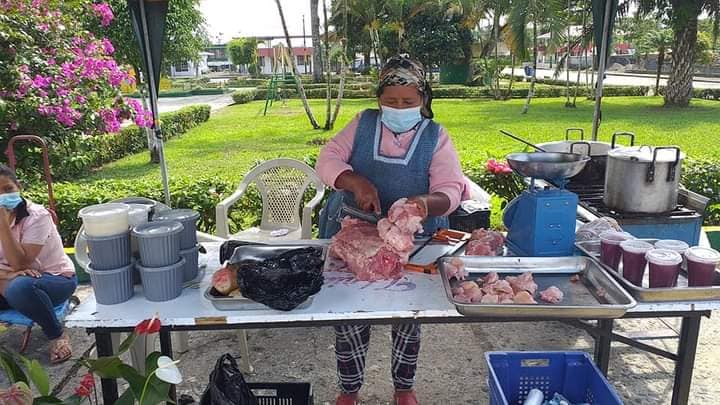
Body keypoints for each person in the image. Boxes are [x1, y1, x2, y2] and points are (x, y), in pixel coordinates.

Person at [316, 54, 466, 405]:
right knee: (350, 315)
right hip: (356, 233)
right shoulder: (363, 123)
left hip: (414, 240)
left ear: (423, 100)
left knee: (408, 315)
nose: (399, 108)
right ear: (379, 99)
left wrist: (424, 204)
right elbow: (328, 159)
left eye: (408, 102)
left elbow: (451, 188)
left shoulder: (435, 136)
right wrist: (353, 180)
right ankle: (349, 390)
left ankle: (404, 388)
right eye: (391, 101)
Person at [0, 165, 77, 363]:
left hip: (53, 280)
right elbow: (14, 271)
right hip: (7, 280)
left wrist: (3, 225)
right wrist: (6, 276)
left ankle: (57, 335)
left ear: (19, 187)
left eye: (7, 189)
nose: (2, 197)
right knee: (14, 285)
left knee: (19, 288)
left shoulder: (37, 216)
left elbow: (19, 264)